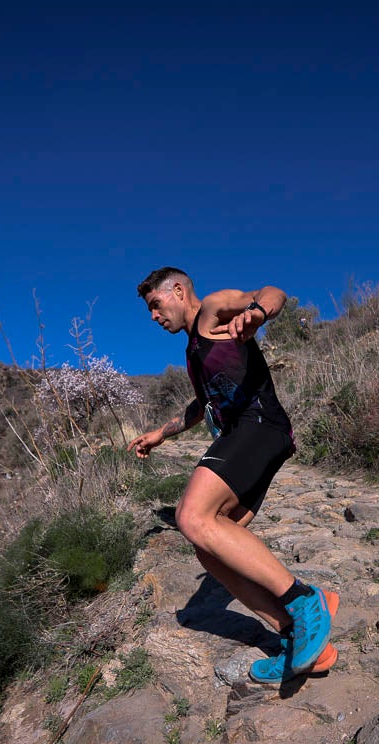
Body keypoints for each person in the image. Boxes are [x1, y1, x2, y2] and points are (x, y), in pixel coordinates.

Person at [127, 267, 337, 683]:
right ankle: (297, 637)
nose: (153, 316)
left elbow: (272, 290)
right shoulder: (193, 350)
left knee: (191, 516)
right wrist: (160, 434)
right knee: (209, 546)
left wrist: (258, 312)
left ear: (178, 290)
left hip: (258, 425)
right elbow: (200, 405)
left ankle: (305, 600)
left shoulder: (212, 310)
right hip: (254, 434)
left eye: (155, 305)